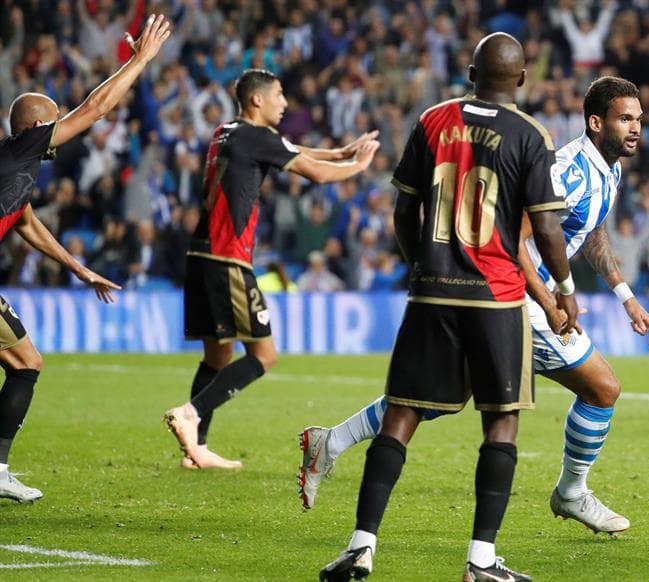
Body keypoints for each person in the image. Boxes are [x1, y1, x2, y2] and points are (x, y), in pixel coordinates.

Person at [302, 77, 649, 544]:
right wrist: (548, 301)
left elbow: (590, 232)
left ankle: (331, 441)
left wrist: (625, 295)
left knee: (444, 392)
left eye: (638, 119)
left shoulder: (607, 169)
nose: (635, 128)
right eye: (625, 118)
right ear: (596, 122)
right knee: (602, 388)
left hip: (513, 298)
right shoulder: (568, 168)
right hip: (521, 301)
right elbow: (517, 238)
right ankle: (570, 493)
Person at [318, 33, 578, 582]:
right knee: (501, 422)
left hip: (433, 291)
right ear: (523, 80)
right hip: (498, 297)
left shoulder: (433, 120)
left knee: (401, 414)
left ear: (469, 72)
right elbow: (548, 227)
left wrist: (420, 267)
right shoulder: (532, 135)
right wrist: (565, 289)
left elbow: (402, 211)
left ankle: (360, 547)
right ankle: (480, 562)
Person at [163, 69, 380, 470]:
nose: (285, 102)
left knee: (217, 355)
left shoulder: (226, 132)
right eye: (279, 95)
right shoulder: (256, 137)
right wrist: (358, 166)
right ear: (257, 100)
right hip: (228, 257)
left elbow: (288, 149)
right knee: (264, 355)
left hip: (201, 255)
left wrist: (340, 151)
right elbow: (312, 173)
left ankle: (197, 450)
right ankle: (190, 415)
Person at [0, 14, 171, 502]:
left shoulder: (14, 169)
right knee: (26, 363)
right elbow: (95, 109)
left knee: (23, 361)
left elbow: (28, 225)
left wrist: (80, 269)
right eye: (54, 120)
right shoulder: (22, 147)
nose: (60, 127)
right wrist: (140, 61)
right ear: (37, 127)